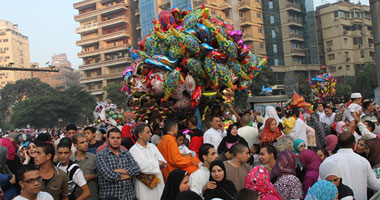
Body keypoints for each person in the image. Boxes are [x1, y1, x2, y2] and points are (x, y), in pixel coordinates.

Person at [322, 132, 380, 200]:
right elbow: (375, 185)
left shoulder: (328, 161)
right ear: (353, 144)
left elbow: (320, 187)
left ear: (338, 144)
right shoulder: (363, 161)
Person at [96, 127, 141, 200]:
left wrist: (118, 171)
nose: (116, 140)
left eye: (118, 138)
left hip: (129, 196)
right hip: (110, 197)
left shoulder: (126, 153)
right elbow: (109, 176)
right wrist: (129, 175)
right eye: (113, 138)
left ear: (121, 139)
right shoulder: (101, 155)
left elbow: (137, 169)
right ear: (107, 139)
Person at [129, 123, 167, 200]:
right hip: (144, 187)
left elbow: (163, 161)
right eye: (148, 132)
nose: (150, 134)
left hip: (158, 184)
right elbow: (141, 167)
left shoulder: (152, 146)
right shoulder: (133, 150)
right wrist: (157, 164)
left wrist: (152, 165)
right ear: (140, 135)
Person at [70, 134, 99, 200]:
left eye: (86, 141)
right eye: (82, 142)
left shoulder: (93, 158)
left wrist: (91, 176)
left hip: (93, 196)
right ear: (75, 145)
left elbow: (101, 175)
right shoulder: (70, 160)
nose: (86, 144)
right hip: (77, 196)